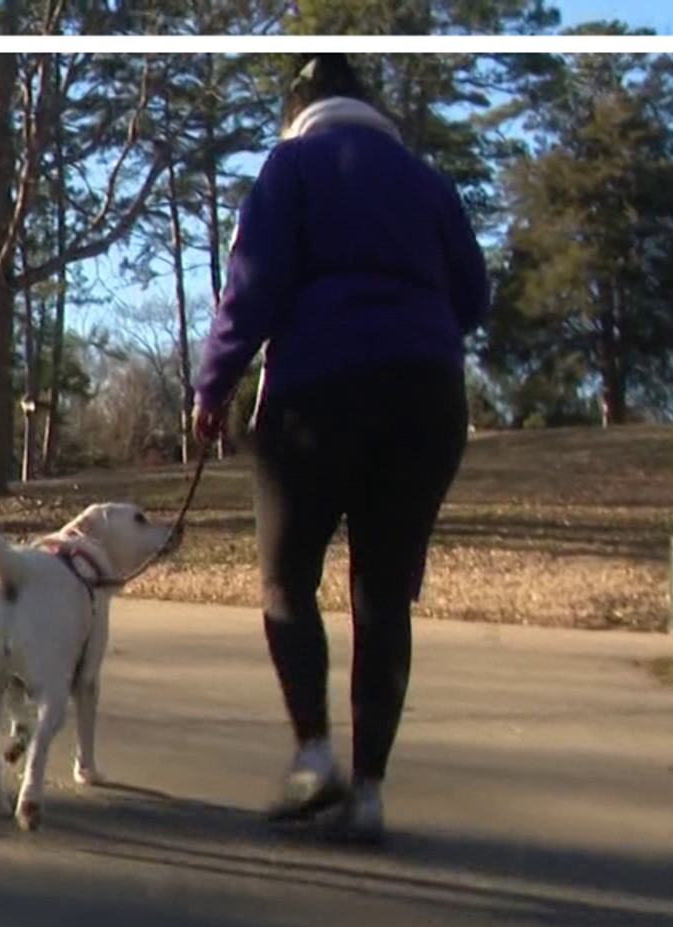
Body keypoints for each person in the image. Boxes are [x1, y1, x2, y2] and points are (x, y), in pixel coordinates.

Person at [190, 55, 491, 844]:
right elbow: (475, 295)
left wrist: (212, 386)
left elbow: (250, 288)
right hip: (426, 397)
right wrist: (414, 331)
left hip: (318, 392)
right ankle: (369, 792)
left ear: (299, 111)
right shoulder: (427, 182)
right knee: (383, 594)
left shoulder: (290, 167)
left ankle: (314, 753)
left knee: (288, 578)